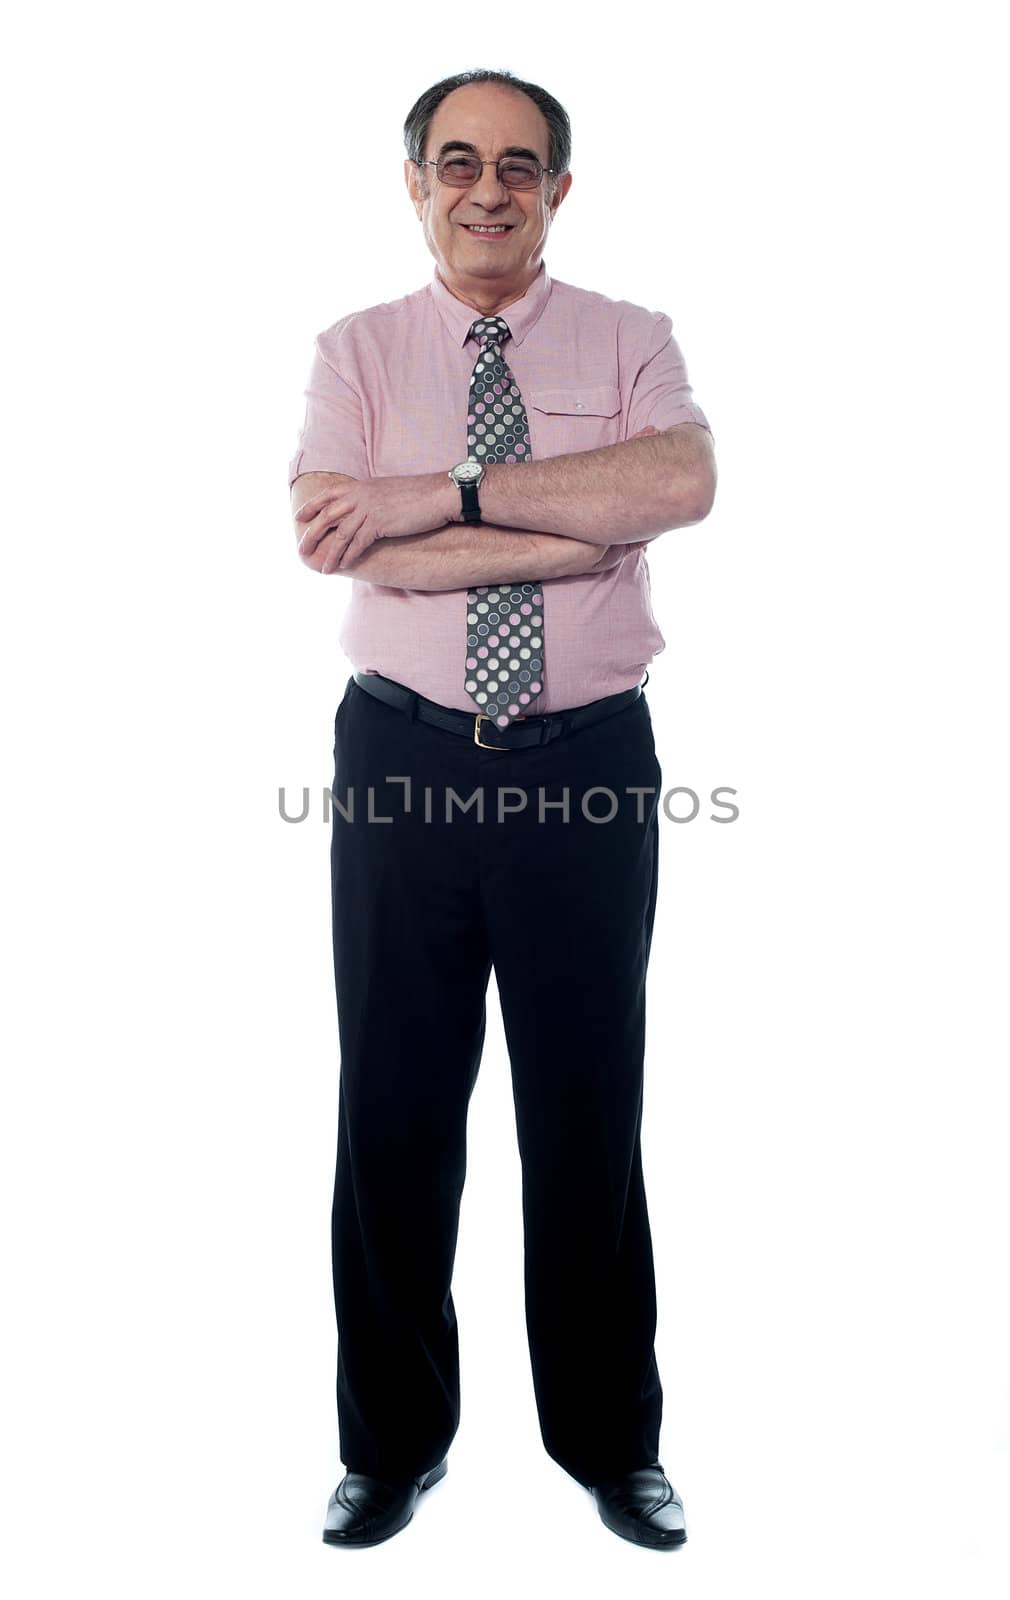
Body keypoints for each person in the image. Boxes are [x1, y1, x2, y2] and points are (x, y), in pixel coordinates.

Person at [288, 67, 716, 1551]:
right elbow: (340, 539)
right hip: (399, 762)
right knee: (392, 1111)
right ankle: (392, 1443)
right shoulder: (356, 350)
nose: (487, 189)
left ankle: (611, 1440)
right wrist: (559, 522)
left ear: (558, 189)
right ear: (414, 182)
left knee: (585, 1110)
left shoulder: (632, 339)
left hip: (583, 764)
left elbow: (678, 481)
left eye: (518, 166)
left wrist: (447, 492)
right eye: (457, 162)